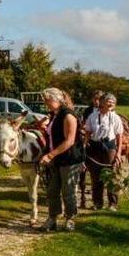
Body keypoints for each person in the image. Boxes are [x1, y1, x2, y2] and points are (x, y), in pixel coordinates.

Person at [39, 87, 84, 232]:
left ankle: (70, 219)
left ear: (58, 100)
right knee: (52, 190)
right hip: (56, 159)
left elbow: (69, 141)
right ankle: (52, 219)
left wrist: (50, 155)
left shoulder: (68, 116)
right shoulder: (54, 114)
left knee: (68, 191)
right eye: (45, 100)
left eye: (48, 100)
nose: (46, 103)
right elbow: (53, 136)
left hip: (69, 159)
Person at [84, 93, 123, 211]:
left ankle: (113, 204)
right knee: (95, 177)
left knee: (111, 176)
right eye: (109, 102)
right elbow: (88, 133)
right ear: (102, 103)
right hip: (95, 147)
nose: (112, 104)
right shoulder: (92, 116)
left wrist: (118, 153)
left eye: (113, 102)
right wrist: (85, 147)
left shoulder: (115, 117)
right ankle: (97, 203)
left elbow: (119, 136)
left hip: (110, 147)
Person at [78, 90, 103, 209]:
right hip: (88, 138)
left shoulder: (106, 110)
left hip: (99, 141)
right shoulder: (88, 110)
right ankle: (82, 197)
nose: (97, 101)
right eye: (95, 99)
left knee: (97, 174)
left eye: (99, 99)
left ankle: (100, 199)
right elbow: (83, 124)